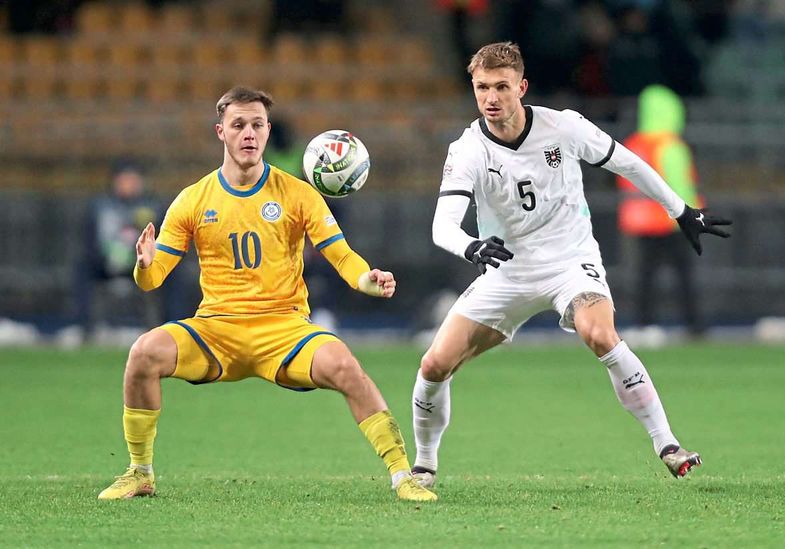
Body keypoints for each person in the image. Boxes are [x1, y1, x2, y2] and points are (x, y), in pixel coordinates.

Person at [410, 42, 731, 489]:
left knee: (600, 333)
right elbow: (442, 225)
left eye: (501, 87)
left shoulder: (563, 127)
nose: (491, 98)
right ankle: (424, 465)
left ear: (521, 87)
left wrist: (680, 210)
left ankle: (668, 444)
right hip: (506, 269)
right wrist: (470, 248)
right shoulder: (467, 150)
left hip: (570, 261)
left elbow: (628, 163)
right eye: (482, 87)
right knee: (433, 366)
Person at [98, 86, 436, 502]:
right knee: (143, 353)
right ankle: (140, 472)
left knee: (346, 366)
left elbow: (343, 257)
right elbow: (151, 281)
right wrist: (145, 264)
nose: (248, 134)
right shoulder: (192, 199)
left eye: (257, 125)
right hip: (216, 331)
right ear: (220, 131)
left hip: (284, 329)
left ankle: (403, 477)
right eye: (238, 125)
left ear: (268, 131)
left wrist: (368, 280)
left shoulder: (298, 194)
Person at [617, 85, 705, 336]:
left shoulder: (633, 144)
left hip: (640, 222)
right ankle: (694, 327)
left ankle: (644, 325)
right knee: (684, 276)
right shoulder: (670, 145)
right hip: (671, 222)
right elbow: (679, 185)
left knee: (644, 278)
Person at [77, 161, 162, 341]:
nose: (128, 185)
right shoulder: (99, 207)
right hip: (104, 264)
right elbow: (89, 241)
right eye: (124, 180)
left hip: (142, 265)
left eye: (132, 180)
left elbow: (162, 241)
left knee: (173, 272)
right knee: (82, 268)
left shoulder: (152, 207)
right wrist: (107, 260)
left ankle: (166, 327)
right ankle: (86, 328)